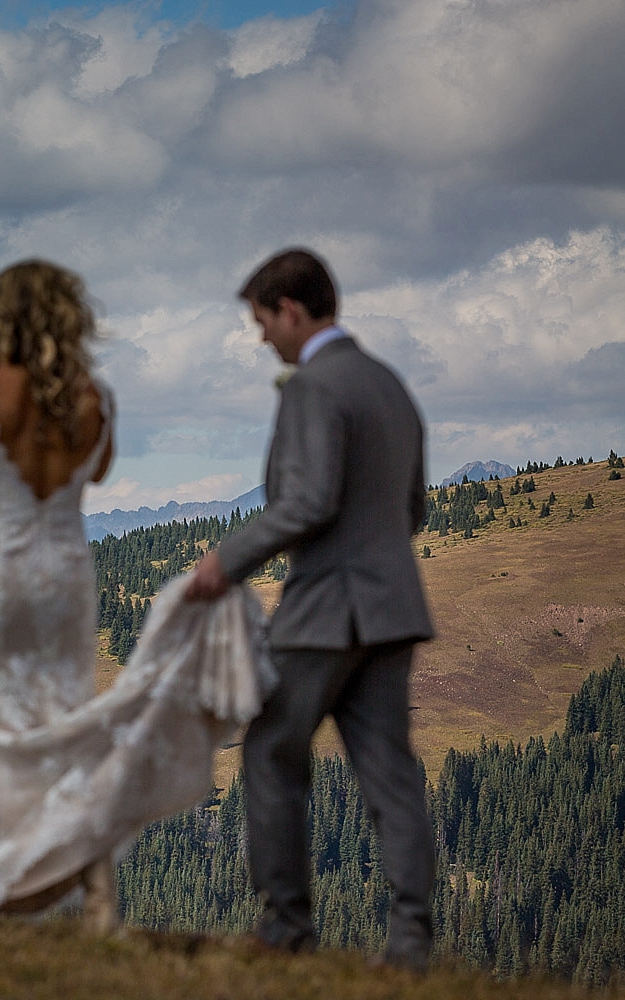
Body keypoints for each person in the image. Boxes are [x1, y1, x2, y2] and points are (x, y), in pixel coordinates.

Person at [0, 260, 271, 931]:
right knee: (65, 721)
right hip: (65, 576)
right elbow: (96, 470)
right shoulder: (94, 398)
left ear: (2, 317)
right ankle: (96, 888)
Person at [184, 248, 436, 970]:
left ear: (291, 311)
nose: (263, 338)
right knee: (389, 771)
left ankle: (287, 927)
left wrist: (225, 562)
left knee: (268, 747)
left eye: (263, 322)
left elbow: (309, 501)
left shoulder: (312, 389)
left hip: (326, 609)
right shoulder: (391, 386)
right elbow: (411, 507)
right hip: (392, 610)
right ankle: (411, 945)